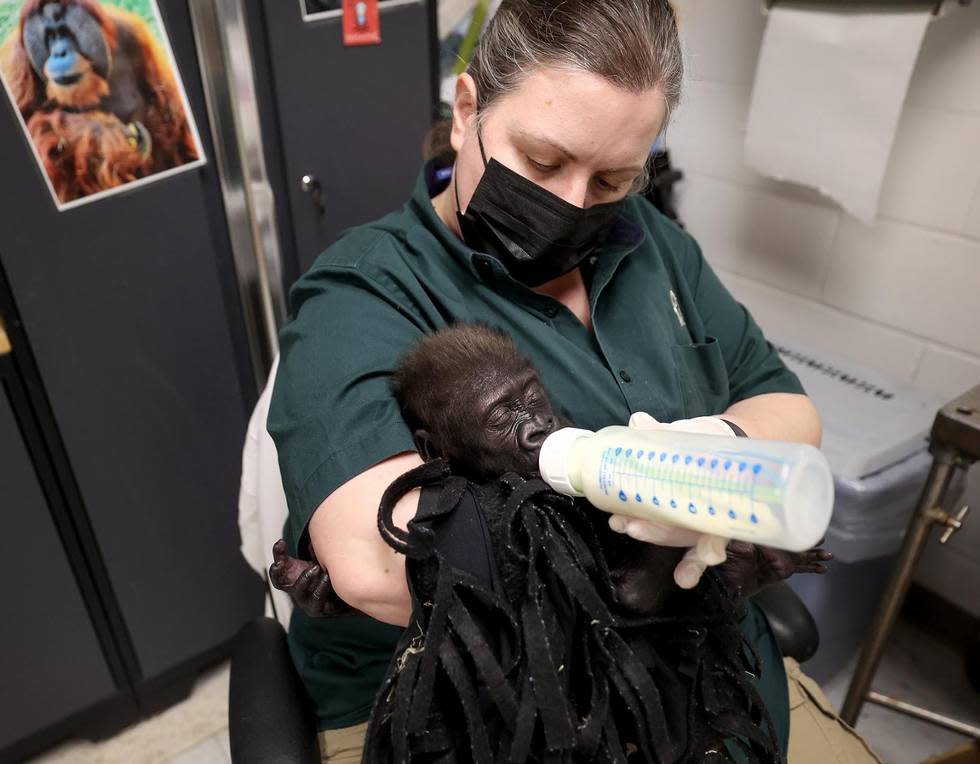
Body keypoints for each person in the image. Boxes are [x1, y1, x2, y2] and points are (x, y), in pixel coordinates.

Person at [266, 2, 880, 762]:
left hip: (706, 663)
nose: (571, 203)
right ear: (466, 112)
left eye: (613, 177)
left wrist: (717, 443)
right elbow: (380, 561)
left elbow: (786, 408)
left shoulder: (650, 242)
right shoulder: (362, 291)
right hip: (469, 697)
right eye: (543, 162)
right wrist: (676, 496)